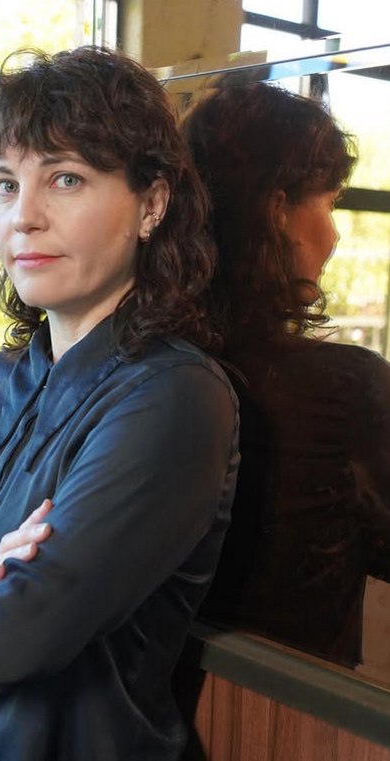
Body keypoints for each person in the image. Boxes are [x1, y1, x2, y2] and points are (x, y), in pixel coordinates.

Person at [0, 46, 239, 761]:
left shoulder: (175, 398)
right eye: (5, 185)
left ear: (152, 204)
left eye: (65, 178)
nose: (23, 217)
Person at [181, 80, 390, 668]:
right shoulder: (346, 389)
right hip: (294, 704)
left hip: (163, 692)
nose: (335, 234)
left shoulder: (152, 361)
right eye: (330, 204)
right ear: (278, 212)